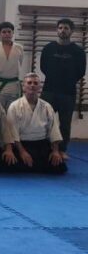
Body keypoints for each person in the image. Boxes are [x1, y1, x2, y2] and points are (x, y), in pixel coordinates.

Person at [40, 18, 86, 154]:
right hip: (49, 90)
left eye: (66, 28)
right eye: (60, 28)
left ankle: (61, 150)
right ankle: (43, 148)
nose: (63, 30)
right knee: (44, 122)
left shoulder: (78, 51)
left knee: (65, 124)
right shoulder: (48, 48)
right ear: (57, 30)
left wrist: (67, 80)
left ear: (71, 31)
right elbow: (43, 67)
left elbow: (81, 71)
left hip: (68, 92)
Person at [7, 73, 68, 174]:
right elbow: (13, 133)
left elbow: (53, 131)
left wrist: (55, 151)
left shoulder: (47, 106)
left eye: (35, 83)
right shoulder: (14, 106)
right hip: (22, 144)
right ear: (24, 86)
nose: (32, 85)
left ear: (39, 87)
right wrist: (22, 152)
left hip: (41, 144)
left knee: (60, 168)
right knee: (10, 165)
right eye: (29, 83)